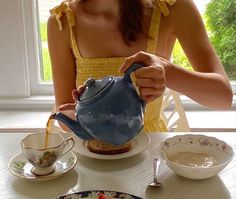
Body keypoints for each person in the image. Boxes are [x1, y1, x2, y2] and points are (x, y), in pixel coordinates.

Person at [47, 0, 233, 132]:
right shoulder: (62, 22)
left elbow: (222, 97)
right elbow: (64, 117)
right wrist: (84, 108)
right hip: (91, 156)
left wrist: (166, 71)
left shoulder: (172, 8)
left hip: (150, 155)